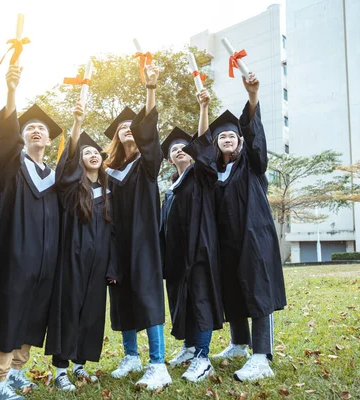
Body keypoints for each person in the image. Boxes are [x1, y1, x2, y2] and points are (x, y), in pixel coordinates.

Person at [0, 64, 62, 400]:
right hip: (13, 256)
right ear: (22, 136)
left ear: (49, 139)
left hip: (45, 261)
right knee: (9, 312)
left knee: (33, 313)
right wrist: (11, 92)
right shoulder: (11, 165)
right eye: (30, 127)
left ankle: (18, 372)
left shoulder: (54, 176)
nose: (36, 130)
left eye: (41, 129)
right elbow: (3, 134)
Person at [191, 76, 287, 382]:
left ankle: (261, 356)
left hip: (253, 237)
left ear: (240, 140)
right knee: (231, 289)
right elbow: (201, 149)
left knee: (258, 290)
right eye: (222, 138)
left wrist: (253, 95)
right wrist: (203, 108)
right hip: (225, 241)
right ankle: (239, 344)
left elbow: (255, 136)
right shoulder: (214, 172)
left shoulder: (252, 165)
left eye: (232, 136)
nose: (228, 139)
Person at [104, 64, 171, 390]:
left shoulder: (148, 163)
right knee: (122, 296)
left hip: (144, 241)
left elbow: (150, 130)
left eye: (134, 126)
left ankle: (157, 363)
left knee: (146, 295)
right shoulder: (108, 172)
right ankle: (130, 355)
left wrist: (150, 89)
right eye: (122, 127)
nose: (129, 129)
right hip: (118, 242)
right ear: (115, 136)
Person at [45, 101, 120, 391]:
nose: (91, 155)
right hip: (72, 258)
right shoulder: (72, 188)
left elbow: (114, 235)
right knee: (69, 309)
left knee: (91, 312)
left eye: (95, 152)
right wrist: (77, 124)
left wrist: (112, 266)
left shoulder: (109, 192)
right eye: (85, 152)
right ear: (79, 160)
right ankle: (61, 369)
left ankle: (79, 365)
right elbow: (66, 164)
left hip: (98, 262)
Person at [160, 126, 223, 382]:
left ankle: (203, 357)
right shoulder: (170, 188)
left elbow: (206, 147)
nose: (179, 151)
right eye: (174, 149)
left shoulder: (201, 175)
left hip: (199, 250)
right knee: (182, 301)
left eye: (184, 147)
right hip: (176, 256)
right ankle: (188, 348)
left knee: (200, 299)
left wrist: (203, 107)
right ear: (169, 159)